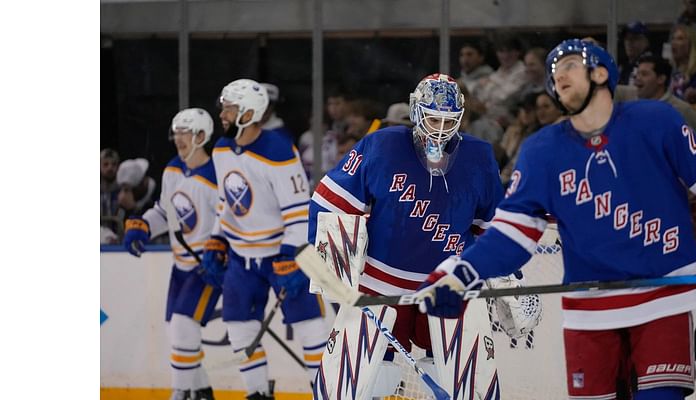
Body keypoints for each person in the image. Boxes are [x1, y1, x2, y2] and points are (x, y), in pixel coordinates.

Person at [417, 39, 696, 400]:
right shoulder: (542, 151)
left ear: (600, 72)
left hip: (663, 298)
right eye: (553, 71)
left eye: (568, 65)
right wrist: (461, 273)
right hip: (589, 310)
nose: (557, 74)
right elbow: (511, 236)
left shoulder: (656, 121)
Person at [308, 73, 534, 398]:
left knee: (461, 382)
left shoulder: (478, 157)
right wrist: (332, 265)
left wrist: (512, 276)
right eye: (432, 118)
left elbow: (494, 227)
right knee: (358, 382)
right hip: (379, 285)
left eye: (448, 121)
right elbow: (332, 201)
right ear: (416, 111)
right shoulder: (382, 144)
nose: (440, 130)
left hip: (449, 284)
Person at [204, 79, 330, 400]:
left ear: (248, 112)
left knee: (310, 327)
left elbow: (301, 210)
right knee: (239, 327)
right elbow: (226, 203)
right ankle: (257, 393)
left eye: (229, 109)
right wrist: (217, 240)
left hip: (283, 254)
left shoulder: (277, 150)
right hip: (242, 258)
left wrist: (293, 255)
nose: (222, 114)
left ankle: (326, 392)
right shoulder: (220, 149)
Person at [121, 108, 221, 400]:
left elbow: (229, 219)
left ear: (201, 136)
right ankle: (201, 391)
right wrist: (143, 226)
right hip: (181, 266)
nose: (179, 139)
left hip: (207, 266)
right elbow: (166, 212)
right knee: (175, 330)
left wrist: (221, 251)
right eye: (176, 133)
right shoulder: (173, 169)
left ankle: (180, 393)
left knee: (182, 326)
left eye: (185, 133)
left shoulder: (217, 175)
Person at [634, 55, 696, 135]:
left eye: (644, 74)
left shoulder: (682, 110)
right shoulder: (633, 107)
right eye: (637, 73)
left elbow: (694, 144)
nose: (637, 78)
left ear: (661, 79)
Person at [668, 24, 696, 104]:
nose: (674, 43)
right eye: (673, 39)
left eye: (680, 39)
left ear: (691, 43)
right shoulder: (671, 71)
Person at [618, 21, 653, 86]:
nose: (629, 42)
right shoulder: (623, 66)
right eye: (627, 38)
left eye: (635, 38)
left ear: (646, 41)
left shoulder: (649, 64)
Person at [101, 148, 123, 238]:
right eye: (105, 164)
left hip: (120, 242)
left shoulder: (124, 191)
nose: (110, 168)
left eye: (114, 164)